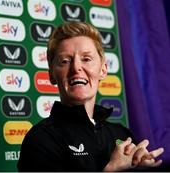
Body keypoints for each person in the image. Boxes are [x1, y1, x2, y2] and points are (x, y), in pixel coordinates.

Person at [17, 22, 164, 172]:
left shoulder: (122, 134)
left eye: (86, 59)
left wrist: (142, 168)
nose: (76, 68)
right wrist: (110, 170)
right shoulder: (40, 139)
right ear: (51, 75)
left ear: (103, 70)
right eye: (65, 61)